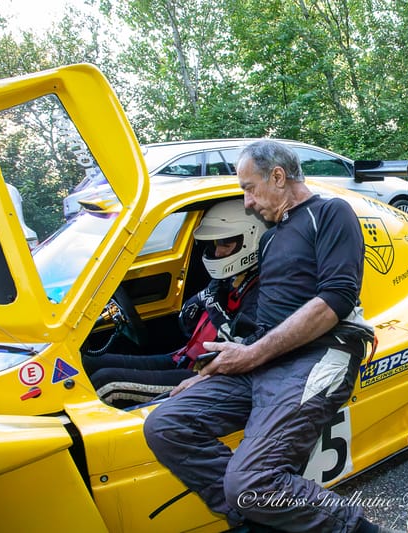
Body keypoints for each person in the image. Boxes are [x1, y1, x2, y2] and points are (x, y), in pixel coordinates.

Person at [144, 140, 387, 533]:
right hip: (267, 360)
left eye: (249, 188)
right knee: (166, 425)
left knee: (251, 481)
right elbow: (266, 325)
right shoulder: (271, 237)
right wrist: (212, 371)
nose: (247, 202)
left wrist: (252, 354)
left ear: (277, 176)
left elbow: (336, 299)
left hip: (321, 353)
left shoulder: (330, 213)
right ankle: (257, 520)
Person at [83, 200, 262, 407]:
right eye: (215, 244)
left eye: (226, 244)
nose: (218, 252)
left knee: (106, 383)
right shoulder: (226, 280)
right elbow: (186, 323)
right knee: (89, 363)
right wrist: (205, 302)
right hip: (183, 357)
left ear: (251, 239)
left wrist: (211, 304)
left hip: (206, 375)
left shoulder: (260, 291)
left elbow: (242, 345)